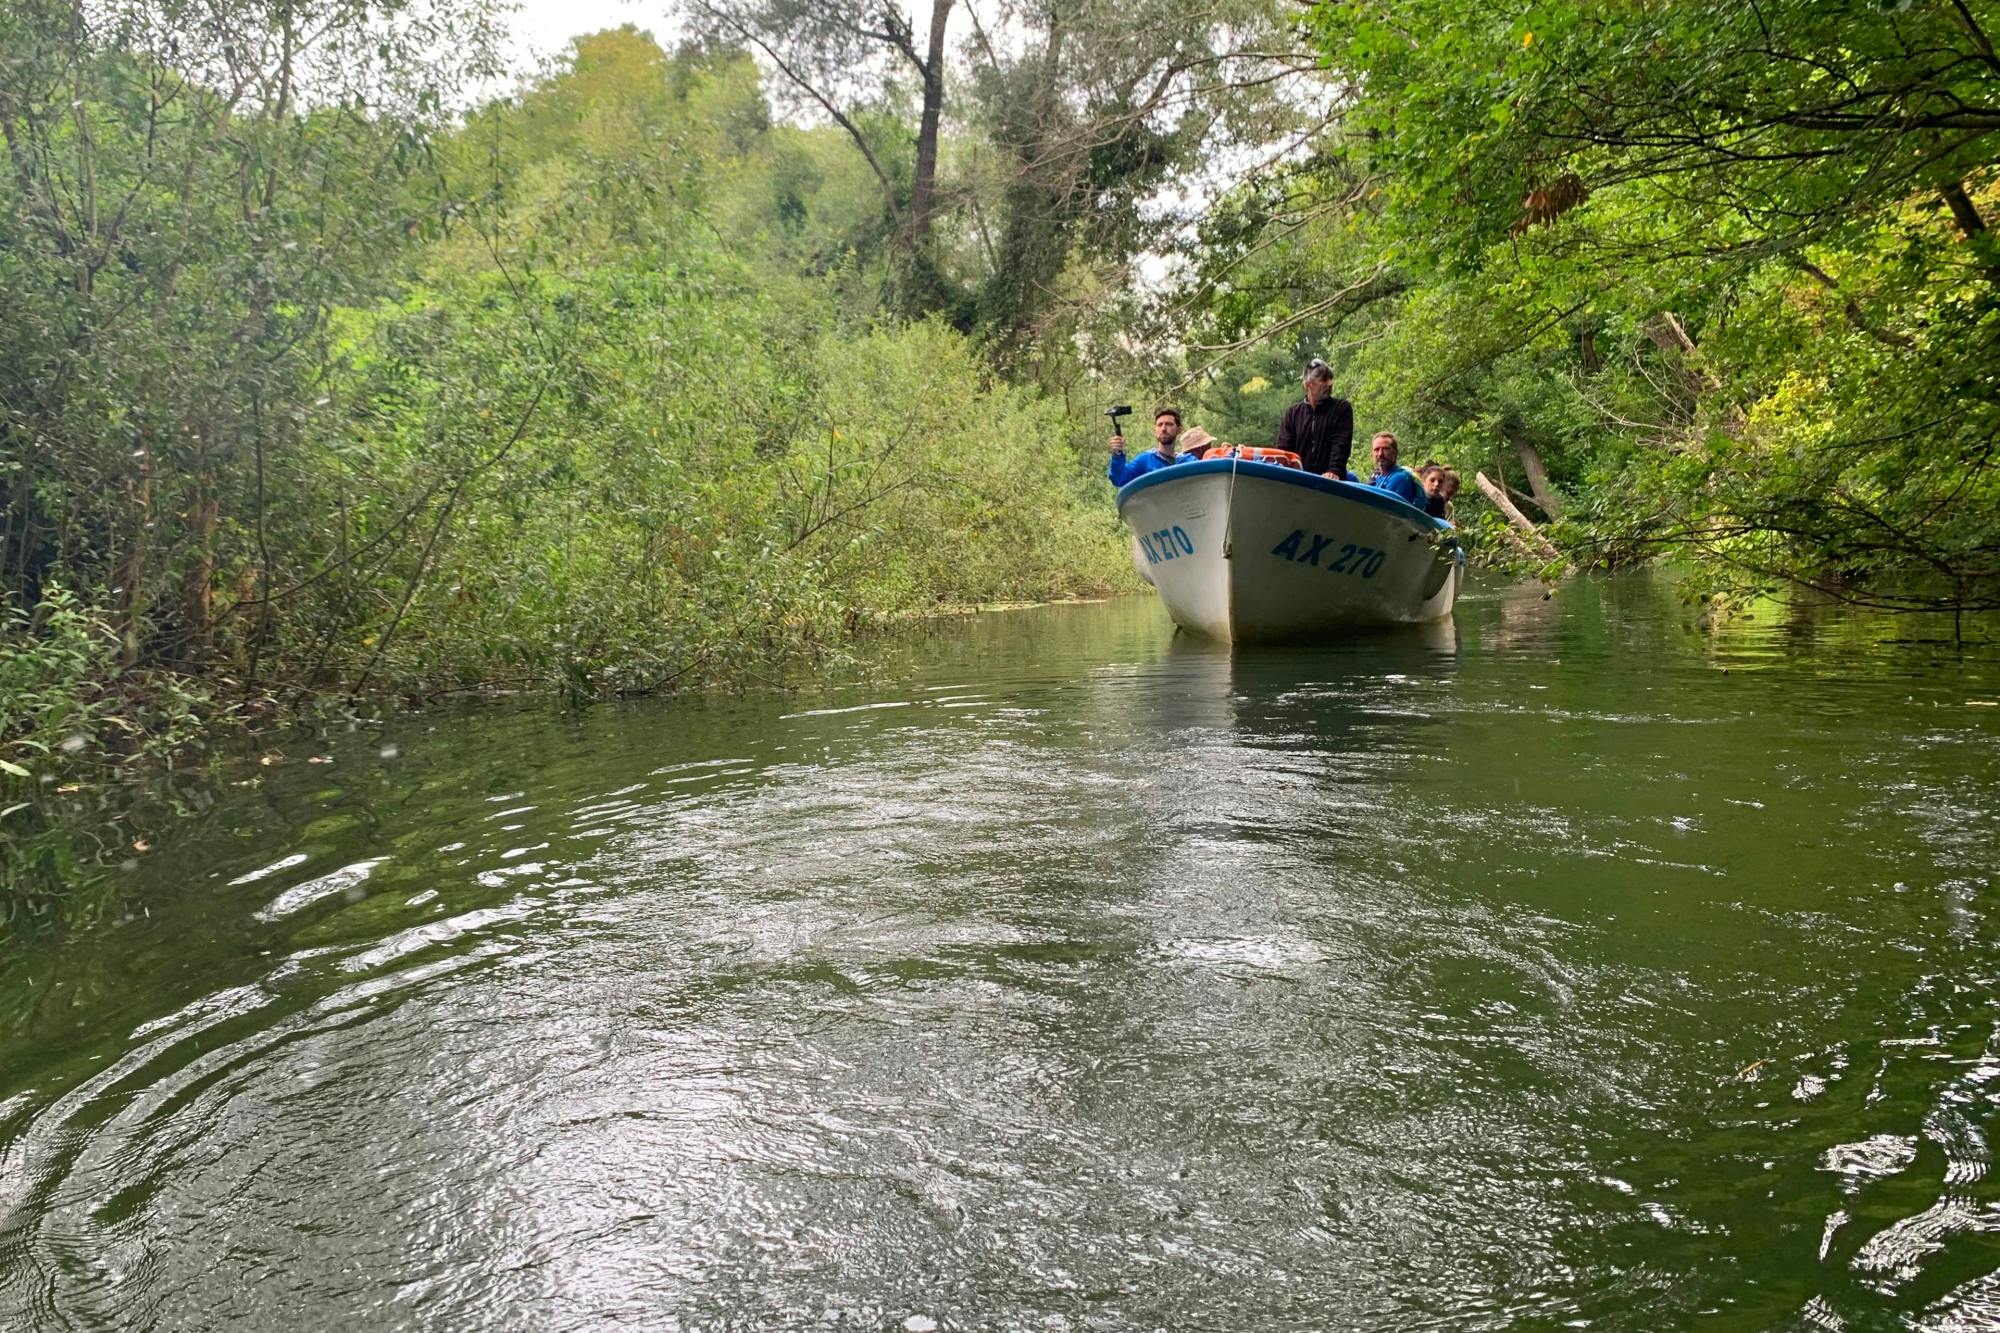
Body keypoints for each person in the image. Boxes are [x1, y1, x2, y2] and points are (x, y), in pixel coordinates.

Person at [1275, 358, 1354, 480]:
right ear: (1308, 385)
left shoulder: (1341, 409)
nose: (1330, 383)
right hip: (1297, 483)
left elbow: (1340, 444)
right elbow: (1284, 450)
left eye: (1331, 378)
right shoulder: (1292, 414)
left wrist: (1334, 470)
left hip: (1331, 484)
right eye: (1324, 379)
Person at [1108, 407, 1188, 486]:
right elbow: (1119, 479)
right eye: (1160, 425)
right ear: (1155, 431)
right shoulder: (1145, 460)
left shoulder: (1186, 461)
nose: (1163, 428)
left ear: (1179, 430)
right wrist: (1117, 454)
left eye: (1169, 424)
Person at [1365, 431, 1426, 506]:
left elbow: (1382, 508)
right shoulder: (1380, 478)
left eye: (1385, 449)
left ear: (1395, 452)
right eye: (1377, 450)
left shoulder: (1399, 478)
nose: (1380, 454)